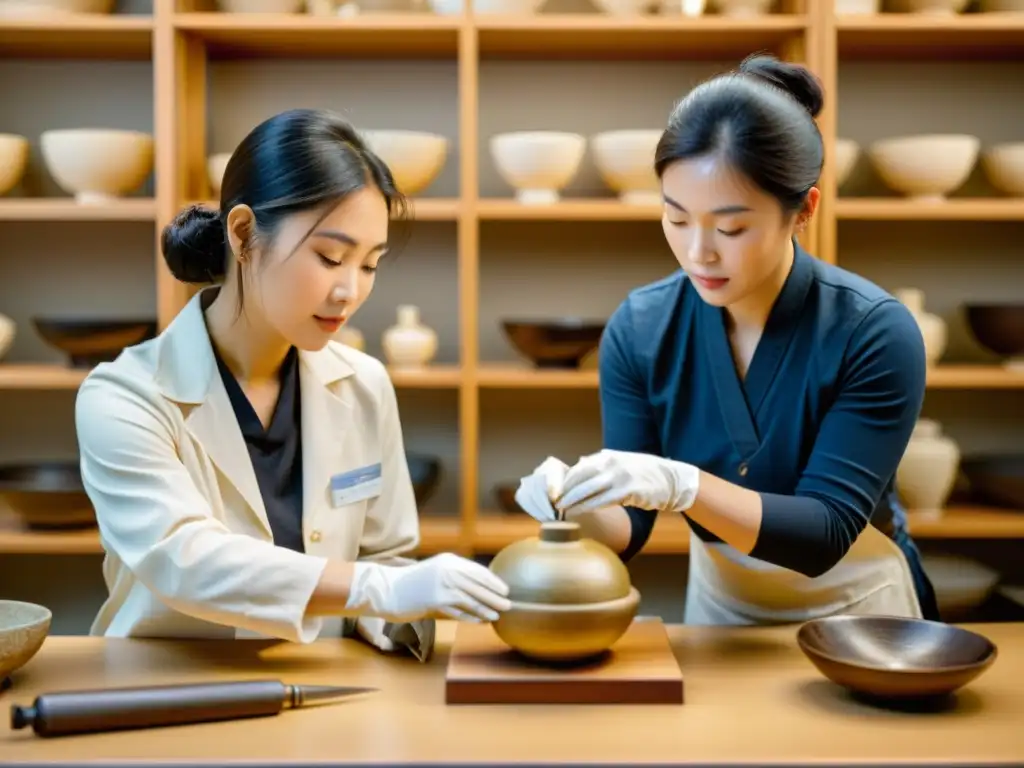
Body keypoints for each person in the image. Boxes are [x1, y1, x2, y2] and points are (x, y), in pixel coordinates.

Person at [514, 55, 941, 626]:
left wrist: (682, 484)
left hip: (862, 612)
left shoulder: (873, 332)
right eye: (677, 218)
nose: (699, 252)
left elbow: (825, 533)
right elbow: (630, 531)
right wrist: (575, 502)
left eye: (731, 227)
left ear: (803, 210)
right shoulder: (641, 329)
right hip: (721, 613)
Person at [75, 108, 510, 653]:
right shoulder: (126, 396)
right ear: (242, 234)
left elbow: (384, 558)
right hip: (164, 692)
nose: (350, 291)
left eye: (370, 265)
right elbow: (182, 558)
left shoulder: (364, 384)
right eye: (330, 257)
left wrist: (395, 612)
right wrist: (379, 587)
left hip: (321, 689)